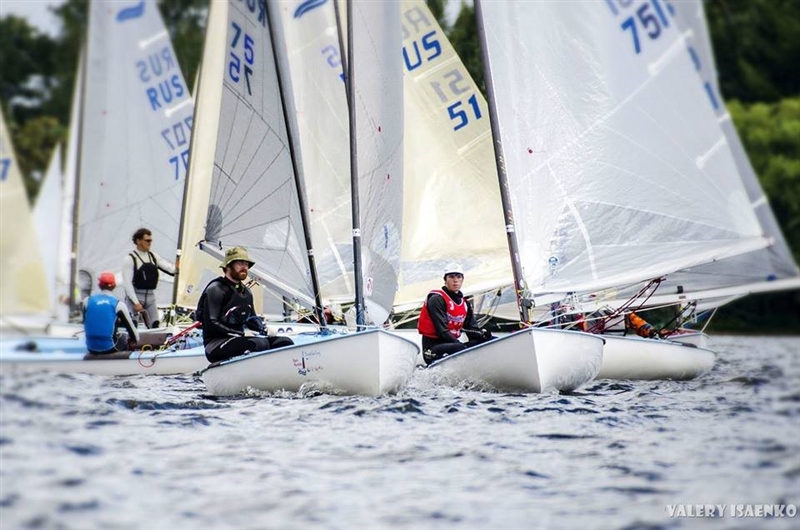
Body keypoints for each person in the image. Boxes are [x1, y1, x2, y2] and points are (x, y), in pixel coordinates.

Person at [199, 246, 294, 364]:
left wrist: (264, 329)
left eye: (246, 264)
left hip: (239, 338)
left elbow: (252, 319)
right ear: (228, 266)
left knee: (284, 342)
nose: (244, 267)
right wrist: (241, 333)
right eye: (240, 263)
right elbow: (211, 323)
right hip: (216, 344)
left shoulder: (246, 292)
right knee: (256, 344)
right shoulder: (216, 289)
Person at [417, 263, 494, 366]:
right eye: (451, 277)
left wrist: (482, 335)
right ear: (445, 280)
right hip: (432, 350)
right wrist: (462, 347)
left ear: (462, 280)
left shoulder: (465, 304)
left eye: (458, 277)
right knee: (460, 348)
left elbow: (472, 331)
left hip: (455, 346)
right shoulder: (436, 299)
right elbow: (442, 331)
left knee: (491, 341)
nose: (455, 280)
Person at [122, 228, 176, 329]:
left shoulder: (153, 256)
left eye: (151, 240)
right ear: (138, 241)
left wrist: (180, 266)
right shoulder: (130, 259)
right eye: (147, 240)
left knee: (155, 325)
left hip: (150, 297)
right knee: (132, 326)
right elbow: (127, 283)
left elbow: (170, 269)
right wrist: (135, 302)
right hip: (136, 296)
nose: (150, 243)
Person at [83, 272, 140, 356]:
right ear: (114, 286)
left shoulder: (87, 301)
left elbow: (86, 322)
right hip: (109, 347)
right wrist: (134, 340)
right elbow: (135, 335)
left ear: (99, 285)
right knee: (124, 337)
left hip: (90, 347)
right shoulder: (118, 304)